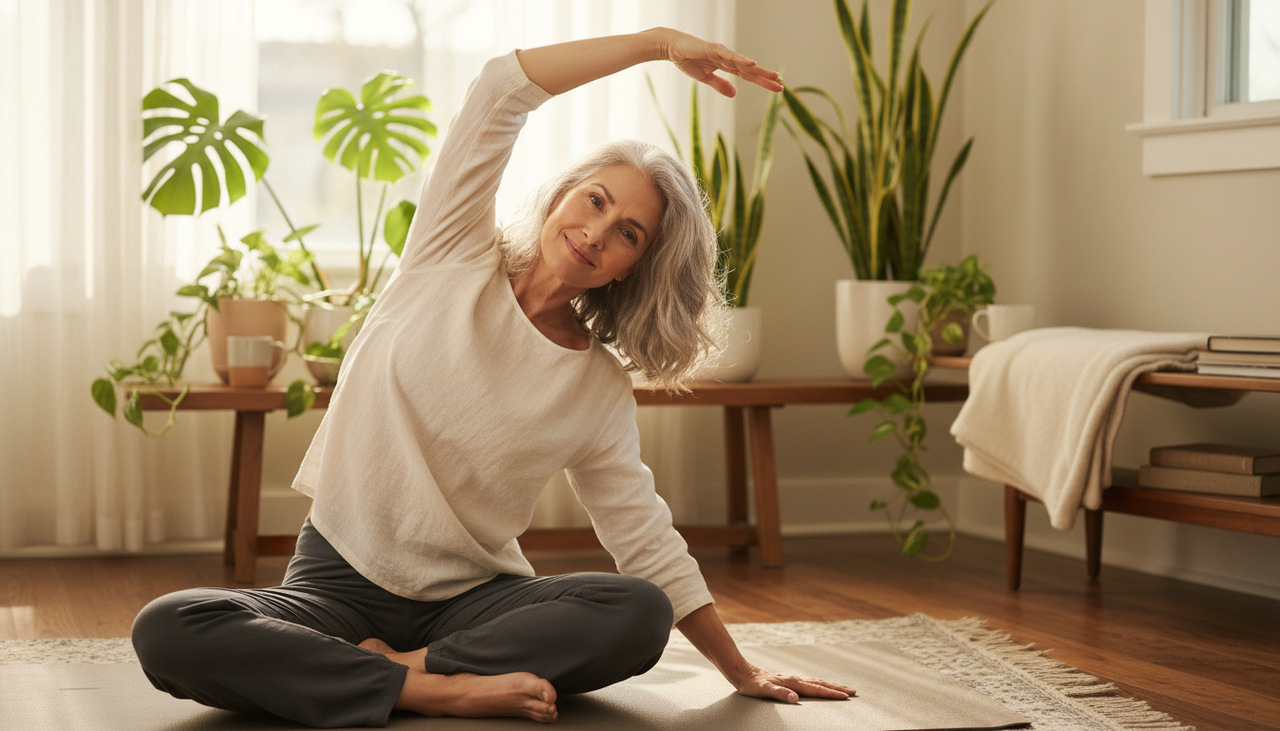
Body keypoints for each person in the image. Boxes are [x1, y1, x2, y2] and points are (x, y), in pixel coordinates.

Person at [132, 28, 856, 728]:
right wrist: (660, 43)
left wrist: (741, 670)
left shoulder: (595, 385)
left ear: (635, 265)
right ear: (563, 193)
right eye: (596, 200)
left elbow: (642, 535)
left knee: (638, 612)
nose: (598, 232)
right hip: (334, 581)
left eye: (629, 234)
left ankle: (405, 668)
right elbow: (499, 91)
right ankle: (430, 691)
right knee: (169, 628)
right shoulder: (450, 251)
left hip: (474, 605)